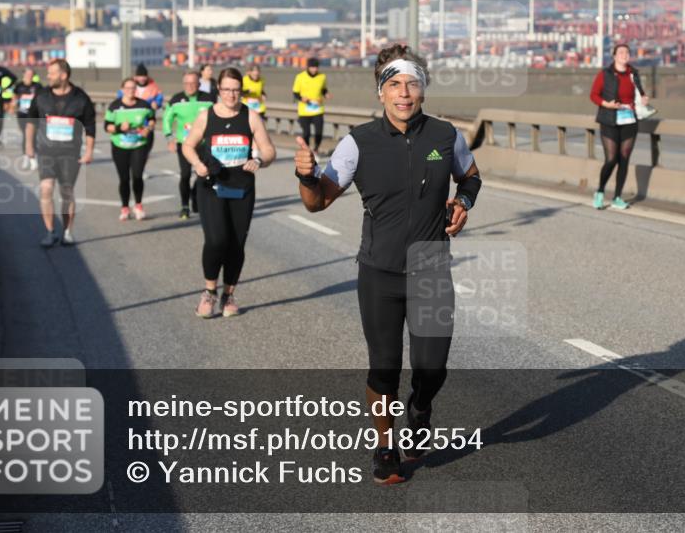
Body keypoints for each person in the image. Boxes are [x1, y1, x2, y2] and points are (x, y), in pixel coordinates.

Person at [294, 44, 481, 485]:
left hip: (431, 269)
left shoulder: (446, 136)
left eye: (412, 84)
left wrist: (463, 202)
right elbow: (317, 202)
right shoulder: (358, 143)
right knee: (384, 367)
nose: (404, 93)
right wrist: (306, 176)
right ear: (381, 92)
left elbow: (471, 177)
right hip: (380, 273)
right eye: (395, 84)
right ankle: (385, 445)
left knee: (432, 368)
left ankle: (421, 409)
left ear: (423, 90)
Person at [182, 67, 276, 318]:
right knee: (216, 240)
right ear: (219, 89)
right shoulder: (206, 116)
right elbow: (188, 145)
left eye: (236, 90)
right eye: (226, 89)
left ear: (241, 91)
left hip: (241, 188)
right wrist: (197, 164)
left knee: (236, 243)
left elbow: (269, 151)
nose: (231, 95)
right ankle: (209, 291)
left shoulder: (251, 117)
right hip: (211, 185)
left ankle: (228, 295)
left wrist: (259, 160)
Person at [25, 59, 96, 247]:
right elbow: (31, 121)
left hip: (70, 153)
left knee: (67, 192)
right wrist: (29, 146)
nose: (48, 76)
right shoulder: (41, 96)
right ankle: (50, 232)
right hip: (46, 151)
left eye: (52, 73)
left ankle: (67, 232)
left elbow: (90, 126)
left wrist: (89, 151)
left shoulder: (81, 98)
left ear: (63, 75)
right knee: (46, 189)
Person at [589, 43, 649, 210]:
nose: (624, 54)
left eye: (627, 52)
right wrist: (606, 104)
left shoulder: (633, 74)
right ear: (614, 56)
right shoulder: (605, 74)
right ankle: (600, 192)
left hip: (629, 121)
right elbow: (593, 95)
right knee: (611, 159)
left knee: (624, 159)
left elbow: (640, 93)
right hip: (609, 120)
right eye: (621, 52)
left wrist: (644, 98)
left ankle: (617, 197)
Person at [164, 70, 214, 219]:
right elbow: (167, 119)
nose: (190, 86)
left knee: (203, 173)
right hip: (184, 144)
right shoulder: (176, 99)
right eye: (186, 83)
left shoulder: (209, 98)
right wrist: (169, 138)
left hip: (204, 143)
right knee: (185, 175)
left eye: (193, 83)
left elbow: (219, 115)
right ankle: (185, 206)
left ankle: (195, 194)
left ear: (199, 84)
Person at [106, 78, 157, 221]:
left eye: (133, 88)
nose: (131, 91)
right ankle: (125, 208)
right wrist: (119, 127)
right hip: (120, 146)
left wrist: (148, 128)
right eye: (128, 88)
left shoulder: (144, 105)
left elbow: (152, 119)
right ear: (122, 90)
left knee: (137, 176)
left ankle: (138, 205)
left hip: (139, 145)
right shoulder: (115, 106)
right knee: (124, 179)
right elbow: (107, 126)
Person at [292, 57, 328, 153]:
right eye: (312, 67)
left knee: (319, 132)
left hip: (318, 109)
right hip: (304, 110)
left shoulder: (322, 77)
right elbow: (295, 93)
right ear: (308, 67)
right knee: (306, 133)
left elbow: (323, 89)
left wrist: (326, 94)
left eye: (316, 67)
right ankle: (307, 150)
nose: (314, 69)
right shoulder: (300, 77)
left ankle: (316, 149)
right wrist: (301, 98)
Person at [13, 68, 43, 158]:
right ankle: (25, 154)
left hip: (34, 115)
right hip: (22, 114)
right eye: (27, 74)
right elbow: (14, 97)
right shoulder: (19, 86)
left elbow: (42, 98)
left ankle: (34, 153)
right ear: (24, 75)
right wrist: (13, 105)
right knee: (25, 133)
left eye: (31, 75)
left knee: (34, 134)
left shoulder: (38, 86)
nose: (29, 76)